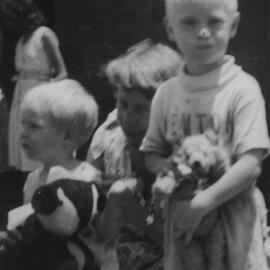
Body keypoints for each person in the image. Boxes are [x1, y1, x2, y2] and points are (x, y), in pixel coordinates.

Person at [140, 0, 270, 269]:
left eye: (214, 21)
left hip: (234, 227)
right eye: (189, 22)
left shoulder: (242, 89)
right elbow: (151, 154)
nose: (202, 31)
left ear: (233, 25)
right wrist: (170, 170)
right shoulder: (167, 94)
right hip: (185, 229)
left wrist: (202, 204)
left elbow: (251, 165)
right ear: (170, 28)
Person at [87, 39, 182, 270]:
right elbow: (88, 224)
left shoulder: (188, 153)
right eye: (122, 104)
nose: (128, 119)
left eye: (141, 109)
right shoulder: (108, 137)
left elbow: (186, 248)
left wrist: (135, 213)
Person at [0, 79, 105, 269]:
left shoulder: (88, 179)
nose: (23, 132)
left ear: (68, 137)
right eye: (22, 124)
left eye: (34, 126)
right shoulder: (33, 179)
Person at [0, 0, 67, 173]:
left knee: (39, 145)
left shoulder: (44, 35)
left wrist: (45, 94)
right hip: (21, 99)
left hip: (39, 97)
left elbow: (62, 73)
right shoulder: (21, 41)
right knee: (24, 149)